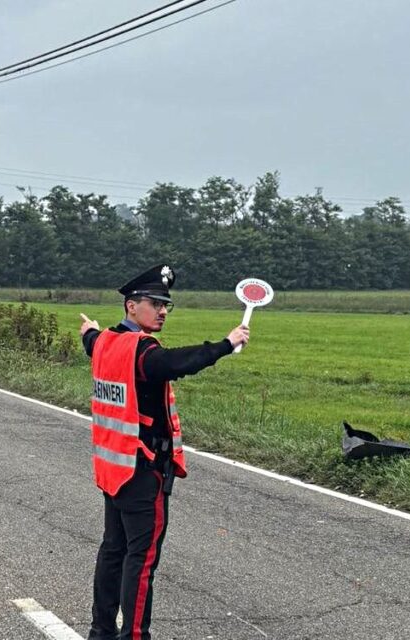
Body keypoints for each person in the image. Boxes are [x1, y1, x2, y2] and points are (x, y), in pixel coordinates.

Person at [80, 263, 249, 640]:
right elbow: (177, 363)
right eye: (154, 303)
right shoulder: (143, 351)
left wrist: (88, 329)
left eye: (166, 305)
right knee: (140, 562)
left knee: (112, 552)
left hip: (113, 469)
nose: (162, 311)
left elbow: (89, 340)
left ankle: (101, 631)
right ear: (130, 306)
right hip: (142, 472)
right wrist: (226, 344)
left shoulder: (104, 341)